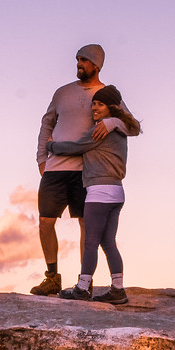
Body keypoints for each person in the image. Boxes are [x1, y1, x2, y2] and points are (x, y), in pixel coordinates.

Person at [47, 84, 140, 303]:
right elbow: (133, 127)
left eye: (99, 104)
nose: (94, 108)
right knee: (108, 242)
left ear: (111, 107)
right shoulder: (119, 130)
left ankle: (82, 288)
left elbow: (76, 147)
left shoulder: (100, 131)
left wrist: (52, 146)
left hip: (99, 192)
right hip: (117, 191)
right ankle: (118, 289)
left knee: (90, 241)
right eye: (93, 104)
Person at [31, 44, 111, 296]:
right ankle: (52, 277)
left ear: (96, 64)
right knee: (45, 221)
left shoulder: (107, 93)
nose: (79, 63)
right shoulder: (62, 92)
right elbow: (47, 124)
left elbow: (130, 124)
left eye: (84, 60)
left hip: (86, 170)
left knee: (87, 224)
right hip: (55, 168)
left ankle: (83, 283)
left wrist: (111, 123)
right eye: (77, 59)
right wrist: (41, 158)